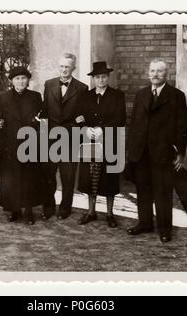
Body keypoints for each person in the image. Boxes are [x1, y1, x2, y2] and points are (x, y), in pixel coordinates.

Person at [127, 59, 187, 243]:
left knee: (163, 192)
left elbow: (182, 126)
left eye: (159, 71)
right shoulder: (141, 94)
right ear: (148, 73)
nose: (155, 74)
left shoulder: (176, 95)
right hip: (141, 152)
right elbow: (134, 123)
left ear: (166, 74)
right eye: (152, 71)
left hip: (163, 153)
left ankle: (164, 229)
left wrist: (181, 153)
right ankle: (145, 223)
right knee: (143, 190)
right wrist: (131, 149)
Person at [77, 62, 126, 228]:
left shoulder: (117, 96)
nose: (101, 79)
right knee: (90, 177)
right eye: (97, 77)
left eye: (104, 76)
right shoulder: (86, 96)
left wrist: (102, 129)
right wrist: (84, 128)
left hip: (110, 141)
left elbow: (120, 119)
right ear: (93, 79)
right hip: (90, 141)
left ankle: (110, 213)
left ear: (108, 77)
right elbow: (79, 116)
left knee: (109, 178)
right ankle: (91, 211)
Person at [0, 66, 45, 225]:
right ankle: (13, 209)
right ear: (11, 81)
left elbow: (41, 119)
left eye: (23, 78)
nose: (21, 81)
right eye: (17, 78)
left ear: (28, 80)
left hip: (30, 143)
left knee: (29, 177)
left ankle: (28, 210)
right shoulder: (2, 97)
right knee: (12, 177)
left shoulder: (36, 96)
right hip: (10, 144)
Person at [41, 53, 89, 221]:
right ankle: (48, 206)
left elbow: (85, 113)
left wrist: (80, 121)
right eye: (61, 66)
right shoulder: (49, 84)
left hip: (71, 136)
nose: (63, 70)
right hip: (51, 137)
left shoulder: (82, 88)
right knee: (49, 174)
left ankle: (65, 208)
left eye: (67, 67)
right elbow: (44, 111)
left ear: (73, 68)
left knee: (68, 176)